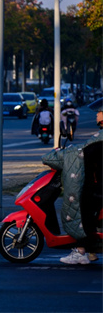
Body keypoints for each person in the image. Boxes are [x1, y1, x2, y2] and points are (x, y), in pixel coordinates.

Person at [42, 98, 103, 264]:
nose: (97, 115)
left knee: (83, 209)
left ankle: (81, 251)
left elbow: (81, 152)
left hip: (98, 187)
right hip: (97, 183)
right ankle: (90, 250)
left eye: (99, 112)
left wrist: (59, 155)